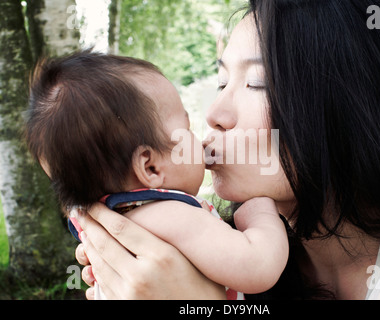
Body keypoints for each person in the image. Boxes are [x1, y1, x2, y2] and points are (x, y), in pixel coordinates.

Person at [75, 0, 380, 300]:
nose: (215, 115)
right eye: (221, 82)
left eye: (257, 83)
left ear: (350, 106)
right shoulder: (219, 252)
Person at [25, 51, 289, 299]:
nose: (203, 131)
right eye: (186, 129)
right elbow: (258, 265)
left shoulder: (116, 222)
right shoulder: (171, 216)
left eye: (255, 83)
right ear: (150, 167)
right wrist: (261, 213)